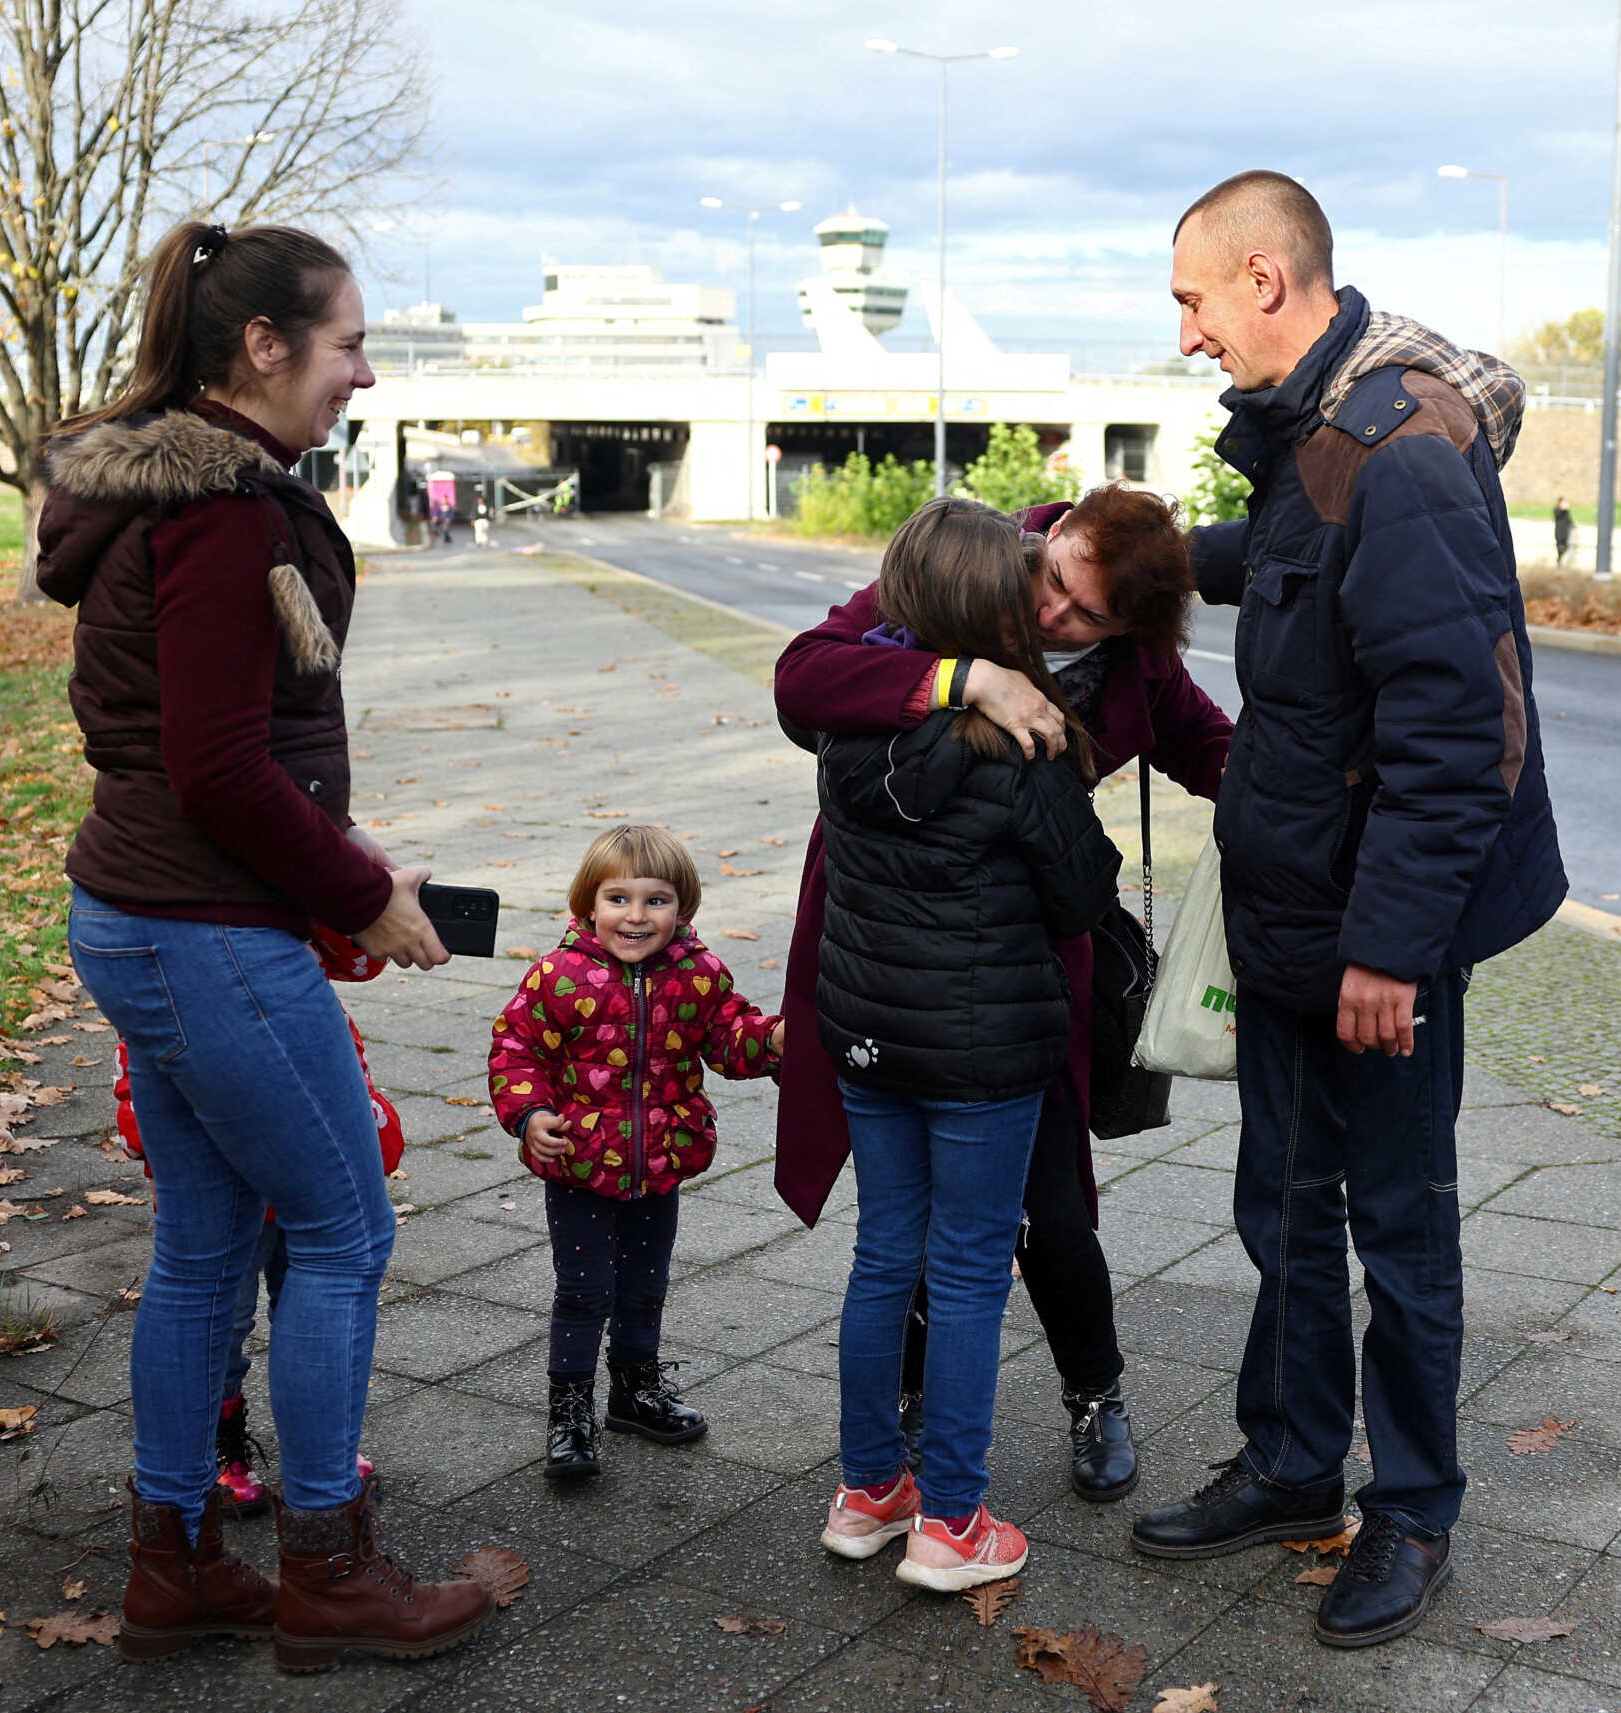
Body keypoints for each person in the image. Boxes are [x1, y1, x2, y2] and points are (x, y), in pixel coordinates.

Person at [36, 218, 495, 1673]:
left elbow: (202, 757)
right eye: (349, 344)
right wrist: (360, 899)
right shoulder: (230, 512)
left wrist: (351, 858)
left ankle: (173, 1566)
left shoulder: (173, 495)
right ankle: (329, 1574)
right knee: (345, 1229)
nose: (362, 372)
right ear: (263, 347)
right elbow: (221, 768)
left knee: (200, 1249)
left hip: (141, 912)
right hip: (204, 933)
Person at [1131, 172, 1566, 1649]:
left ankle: (1415, 1507)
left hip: (1373, 935)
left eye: (1192, 300)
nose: (1185, 335)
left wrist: (1394, 947)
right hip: (1294, 907)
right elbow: (1297, 569)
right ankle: (1297, 1467)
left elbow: (1460, 728)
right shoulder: (1314, 434)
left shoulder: (1403, 446)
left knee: (1398, 1227)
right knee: (1284, 1208)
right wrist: (1129, 559)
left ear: (1266, 275)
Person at [773, 484, 1233, 1502]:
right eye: (1059, 582)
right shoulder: (969, 574)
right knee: (901, 1217)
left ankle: (1094, 1393)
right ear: (1054, 534)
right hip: (886, 947)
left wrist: (1300, 815)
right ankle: (898, 1415)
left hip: (1023, 973)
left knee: (1051, 1211)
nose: (1057, 617)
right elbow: (804, 675)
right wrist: (964, 677)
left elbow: (1206, 747)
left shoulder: (1136, 664)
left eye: (1089, 617)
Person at [796, 497, 1123, 1593]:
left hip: (868, 1036)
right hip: (984, 1051)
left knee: (885, 1253)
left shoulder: (850, 731)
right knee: (973, 1267)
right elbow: (1081, 894)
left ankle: (865, 1493)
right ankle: (952, 1523)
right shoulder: (1021, 743)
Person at [488, 826, 785, 1480]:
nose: (637, 915)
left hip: (660, 1163)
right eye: (618, 897)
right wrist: (531, 1112)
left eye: (657, 900)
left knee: (645, 1286)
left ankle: (635, 1389)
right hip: (579, 1165)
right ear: (588, 904)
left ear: (683, 908)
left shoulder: (697, 973)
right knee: (584, 1289)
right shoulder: (559, 975)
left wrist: (775, 1041)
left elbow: (730, 1038)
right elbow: (517, 1048)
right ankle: (569, 1411)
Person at [107, 923, 401, 1515]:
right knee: (220, 1330)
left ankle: (321, 1453)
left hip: (311, 1196)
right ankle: (218, 1452)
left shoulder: (310, 998)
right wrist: (162, 1150)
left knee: (319, 1316)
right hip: (228, 1204)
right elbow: (140, 1091)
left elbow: (359, 967)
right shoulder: (181, 996)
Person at [1553, 496, 1574, 567]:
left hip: (1565, 532)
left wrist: (1573, 526)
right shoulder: (1557, 509)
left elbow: (1569, 520)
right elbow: (1557, 514)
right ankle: (1559, 560)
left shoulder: (1566, 511)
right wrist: (1563, 508)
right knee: (1559, 546)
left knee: (1566, 547)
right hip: (1559, 532)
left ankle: (1559, 559)